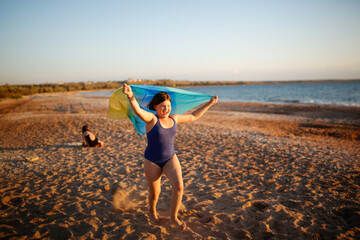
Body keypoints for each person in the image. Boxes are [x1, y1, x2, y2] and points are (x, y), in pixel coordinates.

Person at [122, 83, 218, 230]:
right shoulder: (152, 120)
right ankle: (152, 211)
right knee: (155, 193)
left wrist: (209, 103)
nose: (165, 109)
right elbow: (139, 111)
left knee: (179, 187)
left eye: (168, 106)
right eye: (162, 106)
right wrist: (130, 96)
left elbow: (193, 116)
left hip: (170, 158)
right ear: (155, 106)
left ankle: (174, 217)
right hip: (152, 161)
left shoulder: (174, 119)